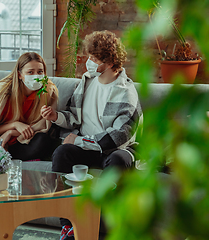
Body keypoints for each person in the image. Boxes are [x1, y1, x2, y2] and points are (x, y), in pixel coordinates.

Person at [40, 30, 143, 240]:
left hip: (115, 149)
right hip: (86, 146)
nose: (88, 63)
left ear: (110, 62)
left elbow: (119, 136)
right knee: (61, 153)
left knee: (118, 161)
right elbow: (74, 118)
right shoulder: (87, 81)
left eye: (94, 59)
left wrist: (79, 141)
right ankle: (68, 226)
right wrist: (56, 117)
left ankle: (102, 229)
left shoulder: (126, 91)